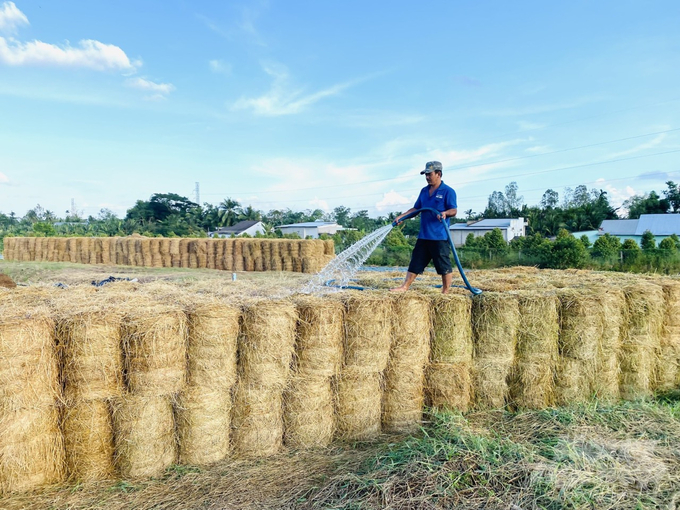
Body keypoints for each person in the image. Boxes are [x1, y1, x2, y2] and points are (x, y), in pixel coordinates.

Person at [390, 161, 457, 293]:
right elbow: (416, 208)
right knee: (416, 262)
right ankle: (404, 287)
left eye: (429, 174)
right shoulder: (424, 191)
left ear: (438, 174)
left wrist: (445, 213)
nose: (427, 177)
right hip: (424, 235)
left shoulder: (448, 191)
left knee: (443, 265)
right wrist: (402, 216)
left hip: (439, 236)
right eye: (425, 174)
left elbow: (453, 210)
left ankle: (446, 291)